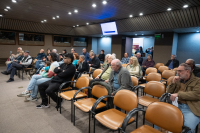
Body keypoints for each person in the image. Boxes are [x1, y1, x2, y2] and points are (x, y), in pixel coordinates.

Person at [162, 63, 200, 133]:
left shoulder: (197, 81)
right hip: (176, 104)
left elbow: (197, 94)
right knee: (160, 118)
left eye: (180, 71)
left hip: (190, 107)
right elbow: (169, 92)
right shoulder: (177, 79)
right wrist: (173, 83)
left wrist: (179, 94)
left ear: (187, 71)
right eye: (177, 71)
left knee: (187, 128)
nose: (177, 73)